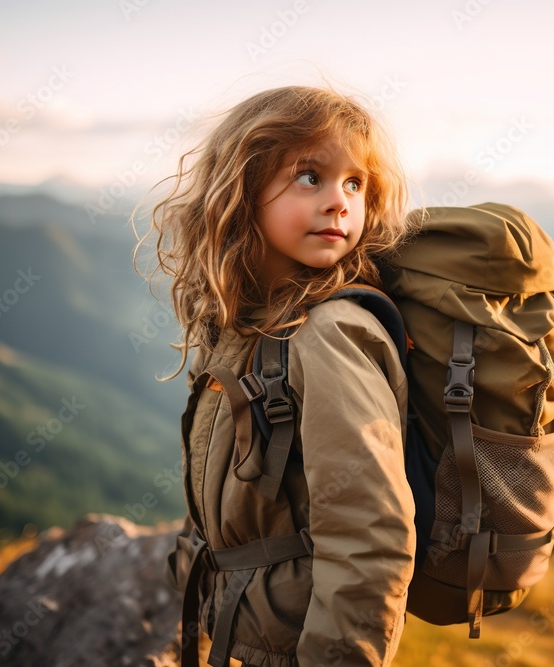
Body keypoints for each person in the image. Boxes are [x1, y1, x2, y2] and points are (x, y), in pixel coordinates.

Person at [134, 85, 418, 667]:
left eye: (355, 183)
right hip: (249, 636)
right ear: (242, 187)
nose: (340, 201)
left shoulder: (328, 334)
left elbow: (371, 536)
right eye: (310, 176)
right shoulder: (250, 325)